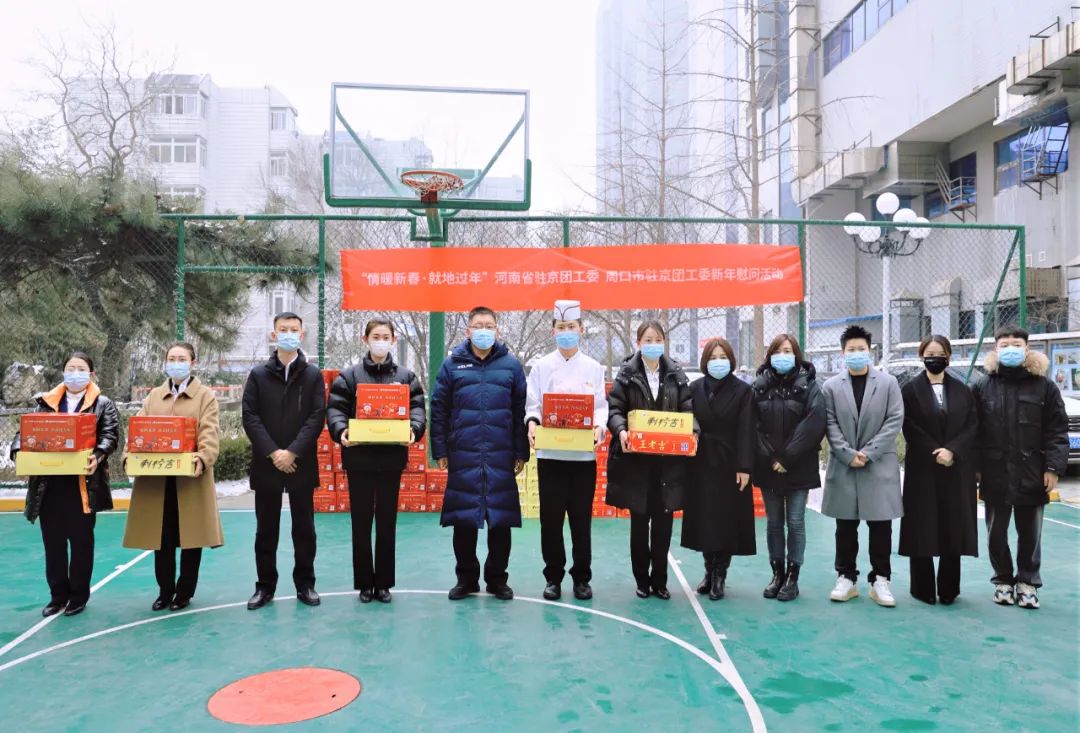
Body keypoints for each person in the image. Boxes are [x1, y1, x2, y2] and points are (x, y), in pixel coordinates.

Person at [431, 306, 528, 601]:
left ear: (497, 331)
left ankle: (497, 579)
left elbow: (520, 412)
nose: (483, 330)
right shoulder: (452, 365)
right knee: (464, 519)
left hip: (501, 453)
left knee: (501, 519)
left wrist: (520, 451)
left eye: (488, 325)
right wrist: (440, 449)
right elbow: (439, 409)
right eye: (478, 325)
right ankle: (466, 578)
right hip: (464, 453)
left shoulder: (511, 366)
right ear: (468, 331)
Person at [11, 353, 119, 617]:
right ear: (63, 372)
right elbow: (25, 433)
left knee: (81, 542)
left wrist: (98, 455)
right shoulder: (46, 403)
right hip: (49, 485)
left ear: (91, 374)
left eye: (81, 369)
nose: (75, 373)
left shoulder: (102, 404)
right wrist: (18, 452)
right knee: (53, 542)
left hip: (82, 484)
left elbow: (110, 435)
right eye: (71, 368)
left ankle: (78, 596)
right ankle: (57, 596)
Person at [327, 319, 425, 604]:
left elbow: (418, 409)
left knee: (386, 523)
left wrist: (414, 429)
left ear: (393, 340)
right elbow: (335, 409)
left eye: (385, 336)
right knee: (360, 522)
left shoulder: (406, 377)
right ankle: (364, 584)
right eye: (375, 336)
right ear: (365, 339)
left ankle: (383, 584)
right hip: (359, 458)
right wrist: (341, 431)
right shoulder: (349, 376)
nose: (380, 341)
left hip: (391, 459)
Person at [972, 326, 1069, 609]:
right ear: (995, 349)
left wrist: (1053, 467)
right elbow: (972, 430)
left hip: (1033, 472)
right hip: (994, 471)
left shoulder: (1044, 386)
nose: (1010, 349)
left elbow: (1057, 430)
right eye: (1005, 344)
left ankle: (1028, 583)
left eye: (1016, 344)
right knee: (995, 532)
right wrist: (975, 467)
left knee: (1030, 533)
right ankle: (1002, 580)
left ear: (1027, 349)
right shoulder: (982, 386)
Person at [123, 342, 222, 612]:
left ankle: (184, 592)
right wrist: (128, 456)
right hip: (157, 480)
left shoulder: (205, 397)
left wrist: (203, 458)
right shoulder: (154, 396)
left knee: (192, 537)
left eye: (182, 359)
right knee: (162, 537)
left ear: (193, 363)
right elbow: (137, 431)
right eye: (171, 358)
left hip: (190, 480)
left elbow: (210, 433)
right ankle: (165, 590)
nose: (176, 363)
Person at [242, 312, 327, 611]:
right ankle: (265, 586)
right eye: (283, 329)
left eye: (294, 329)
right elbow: (250, 416)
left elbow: (317, 416)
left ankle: (306, 584)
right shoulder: (258, 375)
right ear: (273, 334)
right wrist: (273, 452)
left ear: (302, 335)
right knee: (266, 530)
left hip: (300, 462)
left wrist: (292, 452)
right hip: (267, 463)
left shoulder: (313, 375)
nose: (288, 334)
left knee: (304, 529)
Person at [525, 300, 608, 601]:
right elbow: (533, 404)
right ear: (553, 331)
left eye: (571, 327)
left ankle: (582, 578)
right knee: (551, 520)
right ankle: (553, 577)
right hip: (550, 455)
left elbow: (600, 406)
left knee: (581, 520)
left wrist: (599, 427)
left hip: (583, 457)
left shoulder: (594, 368)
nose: (566, 332)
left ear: (581, 330)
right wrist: (532, 423)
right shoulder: (541, 366)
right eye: (561, 327)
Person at [606, 321, 696, 600]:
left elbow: (688, 411)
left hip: (668, 462)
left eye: (658, 339)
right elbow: (615, 409)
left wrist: (693, 434)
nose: (653, 344)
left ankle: (660, 580)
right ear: (638, 343)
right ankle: (641, 580)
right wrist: (621, 430)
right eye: (647, 339)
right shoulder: (627, 373)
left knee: (663, 524)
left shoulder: (677, 374)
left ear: (664, 342)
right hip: (637, 462)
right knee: (639, 523)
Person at [821, 325, 904, 607]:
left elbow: (894, 420)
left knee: (881, 525)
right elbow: (829, 423)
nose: (856, 353)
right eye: (851, 349)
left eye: (861, 349)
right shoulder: (831, 387)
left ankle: (880, 580)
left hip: (877, 464)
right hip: (845, 465)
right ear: (842, 353)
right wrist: (847, 453)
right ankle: (846, 577)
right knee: (845, 525)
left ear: (870, 351)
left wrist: (868, 453)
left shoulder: (888, 383)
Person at [898, 335, 979, 606]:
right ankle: (922, 588)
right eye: (929, 354)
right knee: (922, 524)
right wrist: (935, 451)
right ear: (922, 357)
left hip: (956, 468)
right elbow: (909, 426)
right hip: (923, 468)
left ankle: (949, 588)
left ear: (949, 357)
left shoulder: (963, 390)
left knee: (952, 525)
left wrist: (952, 451)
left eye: (940, 353)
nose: (934, 358)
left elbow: (972, 425)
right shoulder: (910, 391)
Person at [752, 334, 826, 602]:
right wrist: (770, 457)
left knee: (795, 521)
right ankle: (777, 574)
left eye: (788, 351)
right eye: (777, 351)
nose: (782, 356)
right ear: (769, 355)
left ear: (796, 355)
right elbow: (751, 426)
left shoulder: (810, 386)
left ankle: (793, 577)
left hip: (799, 467)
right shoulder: (759, 387)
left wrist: (786, 457)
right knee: (774, 523)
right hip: (768, 466)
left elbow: (815, 423)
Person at [682, 337, 754, 601]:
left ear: (731, 360)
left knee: (726, 519)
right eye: (713, 357)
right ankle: (708, 570)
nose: (718, 362)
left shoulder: (743, 391)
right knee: (704, 518)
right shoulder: (694, 388)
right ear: (705, 361)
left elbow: (746, 430)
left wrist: (744, 466)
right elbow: (686, 421)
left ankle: (721, 574)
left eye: (723, 357)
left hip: (729, 463)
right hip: (700, 462)